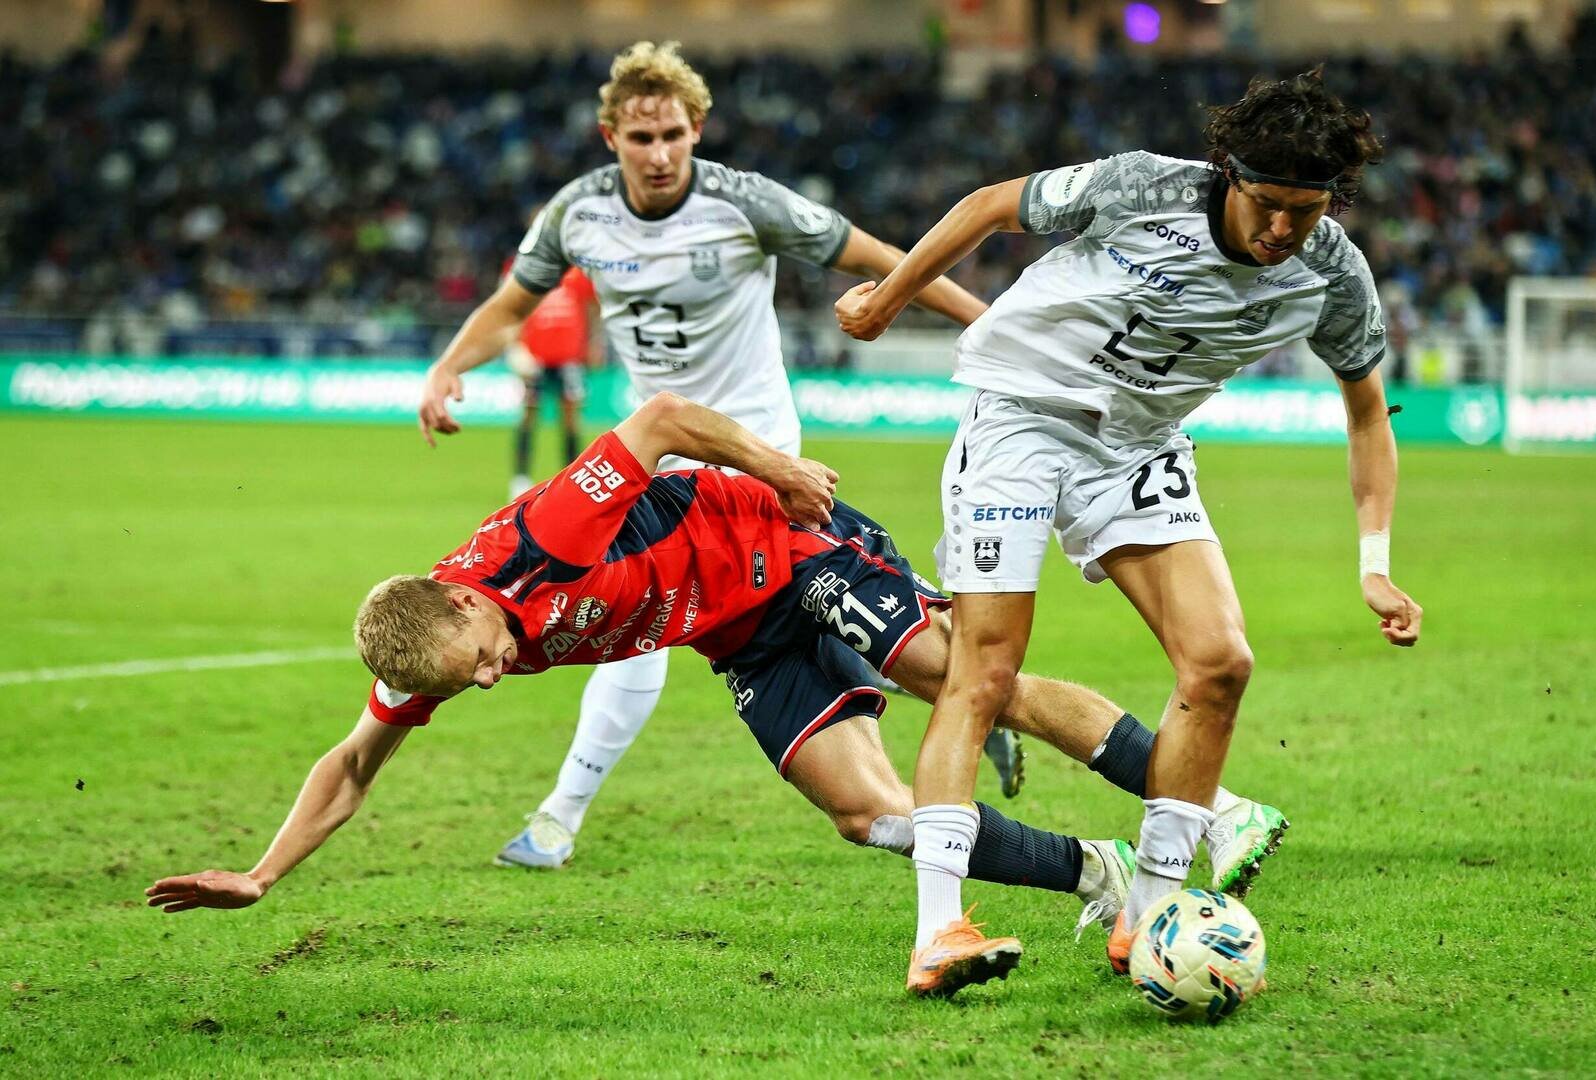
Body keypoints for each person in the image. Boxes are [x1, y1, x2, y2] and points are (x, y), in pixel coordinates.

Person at [147, 392, 1282, 999]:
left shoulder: (544, 537)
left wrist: (778, 472)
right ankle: (1101, 873)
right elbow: (351, 764)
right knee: (865, 815)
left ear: (460, 599)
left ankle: (1209, 805)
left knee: (969, 682)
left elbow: (660, 421)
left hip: (790, 548)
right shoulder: (433, 644)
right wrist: (262, 873)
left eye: (481, 656)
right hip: (737, 634)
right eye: (472, 683)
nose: (492, 676)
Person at [835, 69, 1421, 992]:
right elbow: (991, 206)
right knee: (984, 668)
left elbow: (1366, 414)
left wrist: (1374, 562)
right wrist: (887, 298)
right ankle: (938, 929)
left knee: (1219, 663)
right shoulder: (1143, 185)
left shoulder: (1333, 274)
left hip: (1138, 447)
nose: (1280, 229)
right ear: (1229, 175)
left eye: (1303, 212)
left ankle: (1148, 913)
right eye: (1266, 204)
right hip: (1023, 416)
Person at [415, 42, 1020, 872]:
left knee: (799, 611)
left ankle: (961, 699)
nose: (658, 153)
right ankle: (559, 818)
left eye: (672, 134)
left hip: (755, 459)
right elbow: (509, 305)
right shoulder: (576, 214)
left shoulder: (744, 201)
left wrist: (990, 327)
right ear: (610, 137)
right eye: (641, 138)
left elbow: (881, 258)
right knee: (639, 629)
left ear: (696, 128)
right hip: (656, 457)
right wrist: (449, 365)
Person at [506, 264, 598, 500]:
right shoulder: (528, 267)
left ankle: (573, 480)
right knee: (528, 415)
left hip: (569, 358)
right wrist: (516, 346)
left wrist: (593, 342)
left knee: (571, 420)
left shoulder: (578, 274)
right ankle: (521, 479)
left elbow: (591, 309)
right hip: (534, 358)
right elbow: (514, 308)